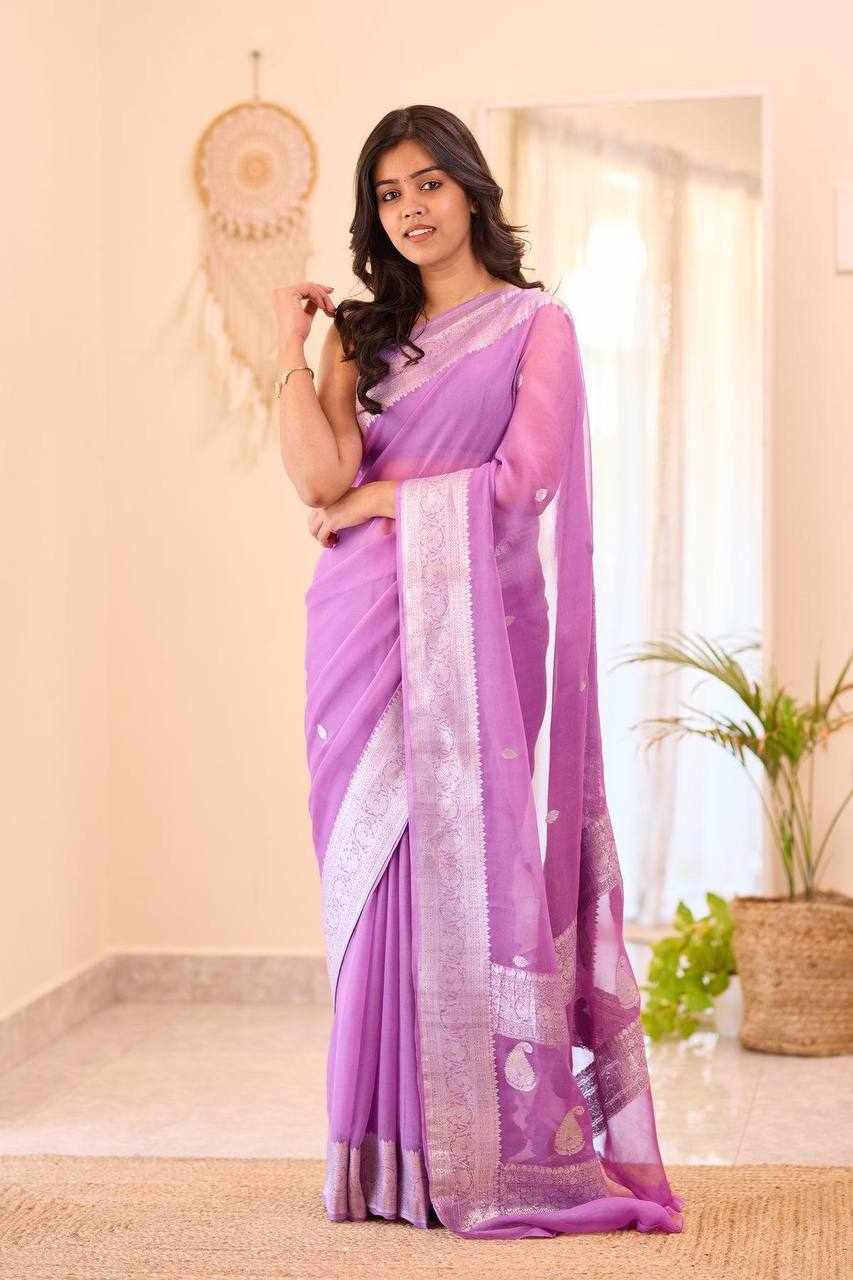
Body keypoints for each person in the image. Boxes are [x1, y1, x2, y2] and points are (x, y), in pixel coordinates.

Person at [274, 103, 685, 1241]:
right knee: (374, 880)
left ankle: (469, 1149)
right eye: (387, 194)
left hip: (479, 629)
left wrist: (380, 497)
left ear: (469, 189)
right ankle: (380, 1157)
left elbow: (523, 480)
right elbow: (316, 481)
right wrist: (285, 352)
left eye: (427, 184)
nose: (409, 209)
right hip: (359, 625)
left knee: (462, 873)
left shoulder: (534, 325)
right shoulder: (364, 334)